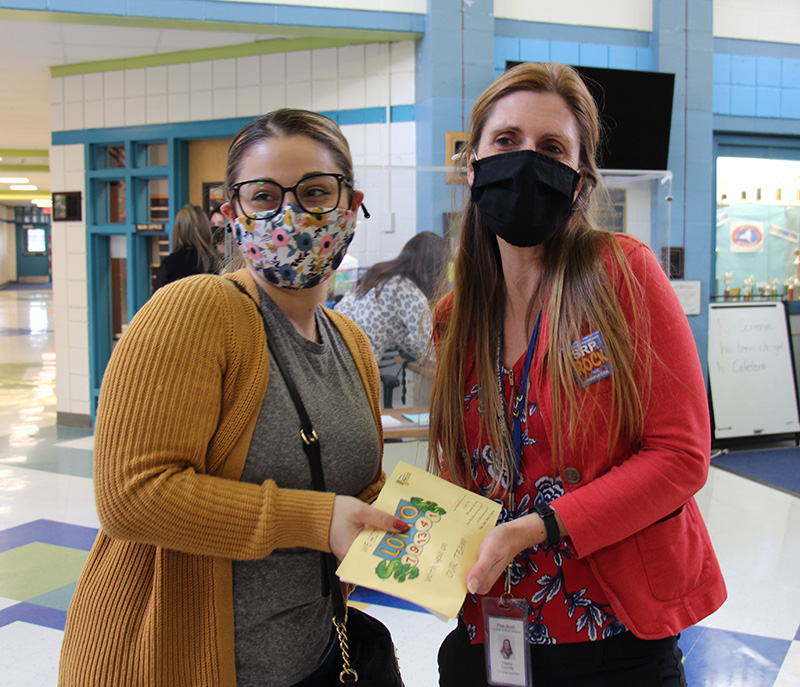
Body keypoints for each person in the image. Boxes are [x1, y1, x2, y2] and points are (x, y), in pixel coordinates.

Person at [59, 108, 407, 687]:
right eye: (265, 196)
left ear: (351, 206)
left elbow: (351, 490)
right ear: (231, 214)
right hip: (187, 662)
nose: (292, 213)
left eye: (317, 192)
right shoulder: (197, 309)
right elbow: (131, 495)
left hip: (315, 656)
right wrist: (317, 521)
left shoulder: (352, 344)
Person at [429, 62, 726, 687]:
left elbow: (681, 455)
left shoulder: (623, 275)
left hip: (610, 636)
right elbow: (461, 469)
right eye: (506, 141)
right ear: (472, 165)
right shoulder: (455, 318)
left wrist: (538, 527)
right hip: (487, 631)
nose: (526, 159)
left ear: (579, 179)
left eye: (551, 148)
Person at [335, 230, 447, 363]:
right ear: (433, 268)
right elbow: (430, 351)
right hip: (355, 359)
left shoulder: (379, 273)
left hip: (334, 339)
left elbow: (401, 335)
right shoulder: (408, 291)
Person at [153, 203, 220, 291]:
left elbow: (158, 300)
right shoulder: (214, 261)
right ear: (205, 228)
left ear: (178, 230)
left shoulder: (169, 264)